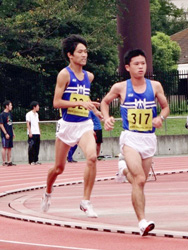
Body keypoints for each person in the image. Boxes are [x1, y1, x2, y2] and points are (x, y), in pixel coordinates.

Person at [101, 49, 170, 236]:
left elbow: (165, 107)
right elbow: (105, 102)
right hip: (130, 138)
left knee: (140, 181)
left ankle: (122, 170)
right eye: (136, 64)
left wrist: (160, 119)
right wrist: (106, 118)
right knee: (139, 179)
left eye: (143, 63)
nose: (140, 67)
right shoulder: (120, 87)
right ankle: (142, 222)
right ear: (127, 67)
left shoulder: (155, 86)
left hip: (149, 138)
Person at [41, 34, 102, 218]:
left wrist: (94, 109)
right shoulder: (64, 74)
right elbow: (56, 102)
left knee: (91, 157)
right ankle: (48, 192)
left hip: (84, 124)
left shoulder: (89, 76)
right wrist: (80, 104)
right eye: (80, 52)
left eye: (86, 51)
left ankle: (85, 201)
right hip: (67, 126)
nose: (84, 55)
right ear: (70, 55)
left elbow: (84, 101)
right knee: (59, 168)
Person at [0, 100, 16, 166]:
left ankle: (9, 161)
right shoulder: (2, 114)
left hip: (10, 133)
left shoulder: (9, 114)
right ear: (7, 106)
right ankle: (4, 161)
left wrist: (13, 132)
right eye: (10, 105)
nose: (11, 106)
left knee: (9, 147)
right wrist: (6, 133)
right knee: (4, 147)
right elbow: (1, 125)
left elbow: (10, 124)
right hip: (5, 134)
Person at [26, 101, 41, 165]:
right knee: (31, 147)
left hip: (37, 132)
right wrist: (30, 132)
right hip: (32, 133)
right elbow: (28, 123)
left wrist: (39, 131)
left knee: (37, 147)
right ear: (34, 107)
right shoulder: (29, 114)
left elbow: (37, 123)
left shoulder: (37, 114)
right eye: (37, 106)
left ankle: (36, 160)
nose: (38, 107)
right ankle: (31, 161)